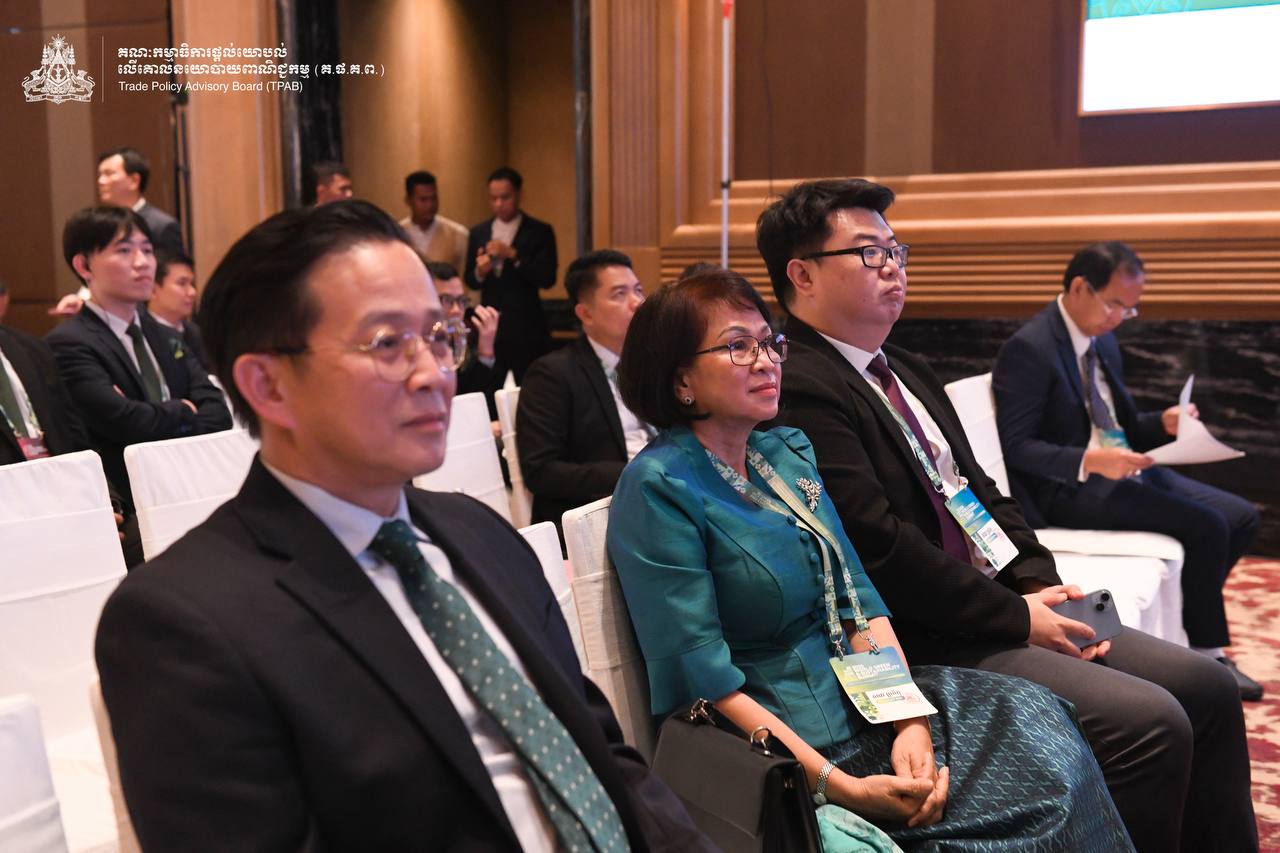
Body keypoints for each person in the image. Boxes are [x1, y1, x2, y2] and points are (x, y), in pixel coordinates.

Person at [94, 200, 713, 852]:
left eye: (440, 336)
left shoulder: (481, 532)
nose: (434, 373)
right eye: (388, 343)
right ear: (268, 385)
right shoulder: (182, 621)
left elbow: (603, 755)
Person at [757, 177, 1256, 852]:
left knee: (1208, 686)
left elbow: (983, 492)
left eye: (897, 250)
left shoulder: (903, 368)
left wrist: (1037, 584)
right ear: (802, 274)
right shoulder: (801, 385)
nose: (894, 268)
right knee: (1152, 721)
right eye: (870, 253)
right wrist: (1020, 616)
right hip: (928, 632)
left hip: (998, 602)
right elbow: (880, 549)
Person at [607, 269, 1133, 851]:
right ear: (681, 379)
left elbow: (856, 603)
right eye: (738, 347)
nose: (766, 362)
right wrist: (842, 788)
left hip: (867, 709)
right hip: (778, 757)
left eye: (768, 343)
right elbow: (702, 685)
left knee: (1044, 732)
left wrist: (910, 724)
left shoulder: (782, 456)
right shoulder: (661, 488)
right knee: (1029, 817)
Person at [992, 242, 1263, 700]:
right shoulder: (1030, 348)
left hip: (1122, 469)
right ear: (1081, 288)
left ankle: (1188, 620)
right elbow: (1017, 447)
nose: (1120, 317)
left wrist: (1163, 423)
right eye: (1115, 304)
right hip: (1068, 489)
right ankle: (1207, 653)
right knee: (1208, 526)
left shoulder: (1100, 339)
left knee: (1242, 517)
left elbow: (1121, 425)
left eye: (1129, 309)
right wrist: (1089, 461)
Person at [45, 206, 231, 565]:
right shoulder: (70, 344)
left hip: (192, 490)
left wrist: (158, 415)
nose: (143, 262)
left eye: (147, 249)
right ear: (84, 266)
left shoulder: (166, 336)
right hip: (132, 509)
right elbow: (124, 422)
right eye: (124, 250)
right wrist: (183, 409)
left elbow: (218, 413)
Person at [518, 249, 651, 529]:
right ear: (585, 313)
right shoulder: (552, 374)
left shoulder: (651, 363)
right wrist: (636, 472)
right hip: (599, 517)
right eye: (620, 294)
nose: (637, 302)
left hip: (657, 497)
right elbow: (541, 471)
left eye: (638, 290)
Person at [464, 166, 557, 382]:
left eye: (505, 197)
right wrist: (480, 271)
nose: (499, 204)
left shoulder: (540, 231)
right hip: (491, 326)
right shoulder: (478, 232)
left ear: (519, 194)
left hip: (527, 325)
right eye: (493, 198)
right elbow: (470, 279)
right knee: (488, 384)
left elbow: (547, 278)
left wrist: (513, 255)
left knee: (532, 384)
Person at [425, 260, 500, 418]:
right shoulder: (415, 348)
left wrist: (485, 351)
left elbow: (476, 404)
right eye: (446, 300)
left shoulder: (462, 341)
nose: (456, 310)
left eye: (461, 301)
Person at [96, 146, 184, 256]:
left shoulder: (161, 226)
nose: (101, 181)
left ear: (134, 181)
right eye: (100, 175)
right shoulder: (101, 225)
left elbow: (172, 266)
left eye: (109, 174)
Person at [148, 250, 210, 370]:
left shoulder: (195, 333)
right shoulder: (140, 334)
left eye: (192, 284)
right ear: (153, 290)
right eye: (182, 283)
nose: (192, 292)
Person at [402, 171, 470, 272]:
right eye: (423, 199)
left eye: (433, 198)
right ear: (408, 200)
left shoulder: (458, 235)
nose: (430, 205)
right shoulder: (397, 234)